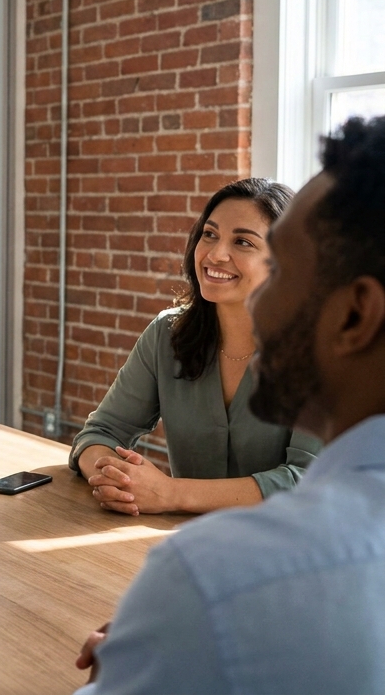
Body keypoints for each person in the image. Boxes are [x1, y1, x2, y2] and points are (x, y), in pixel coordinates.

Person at [74, 116, 385, 694]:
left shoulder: (213, 574)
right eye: (208, 235)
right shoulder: (169, 333)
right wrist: (179, 635)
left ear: (354, 314)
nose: (266, 308)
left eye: (286, 272)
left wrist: (174, 632)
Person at [69, 178, 322, 514]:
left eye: (243, 242)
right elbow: (101, 432)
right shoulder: (166, 334)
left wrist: (172, 493)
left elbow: (311, 482)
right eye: (210, 234)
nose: (215, 254)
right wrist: (117, 477)